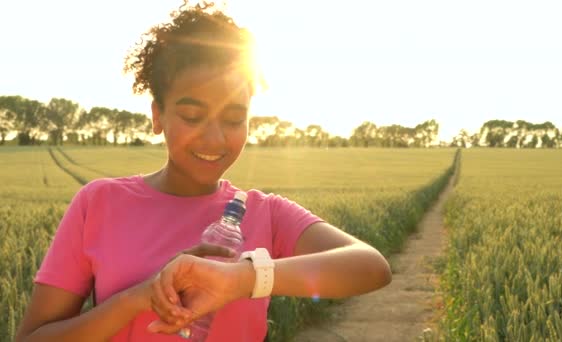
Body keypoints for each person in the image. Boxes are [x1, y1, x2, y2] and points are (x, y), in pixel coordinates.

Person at [15, 2, 392, 341]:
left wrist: (242, 278)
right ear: (157, 114)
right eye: (192, 116)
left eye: (233, 118)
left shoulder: (264, 213)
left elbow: (371, 266)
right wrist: (134, 300)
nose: (214, 138)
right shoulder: (98, 203)